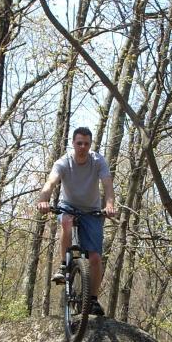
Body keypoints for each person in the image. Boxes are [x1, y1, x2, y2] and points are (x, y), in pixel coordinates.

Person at [37, 127, 116, 316]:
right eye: (79, 143)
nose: (82, 147)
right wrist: (43, 199)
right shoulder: (63, 162)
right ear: (73, 143)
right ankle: (64, 266)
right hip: (68, 205)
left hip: (91, 210)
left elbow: (107, 183)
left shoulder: (97, 161)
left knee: (95, 258)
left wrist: (110, 204)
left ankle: (93, 300)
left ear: (90, 145)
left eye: (86, 144)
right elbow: (51, 183)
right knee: (66, 221)